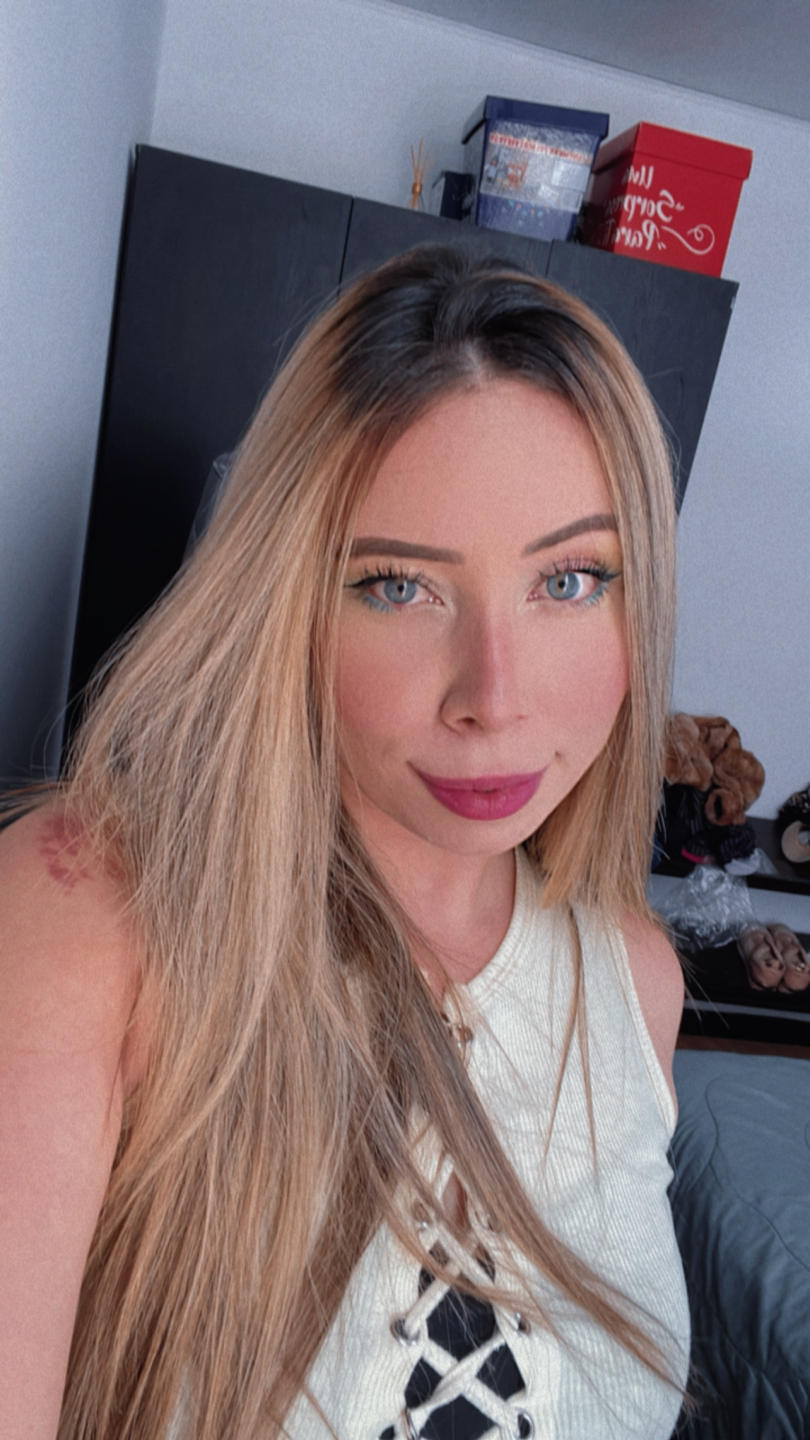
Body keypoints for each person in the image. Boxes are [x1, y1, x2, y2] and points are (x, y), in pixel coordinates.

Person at [0, 244, 690, 1439]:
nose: (494, 698)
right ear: (284, 605)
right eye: (397, 586)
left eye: (572, 581)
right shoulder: (94, 918)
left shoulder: (636, 980)